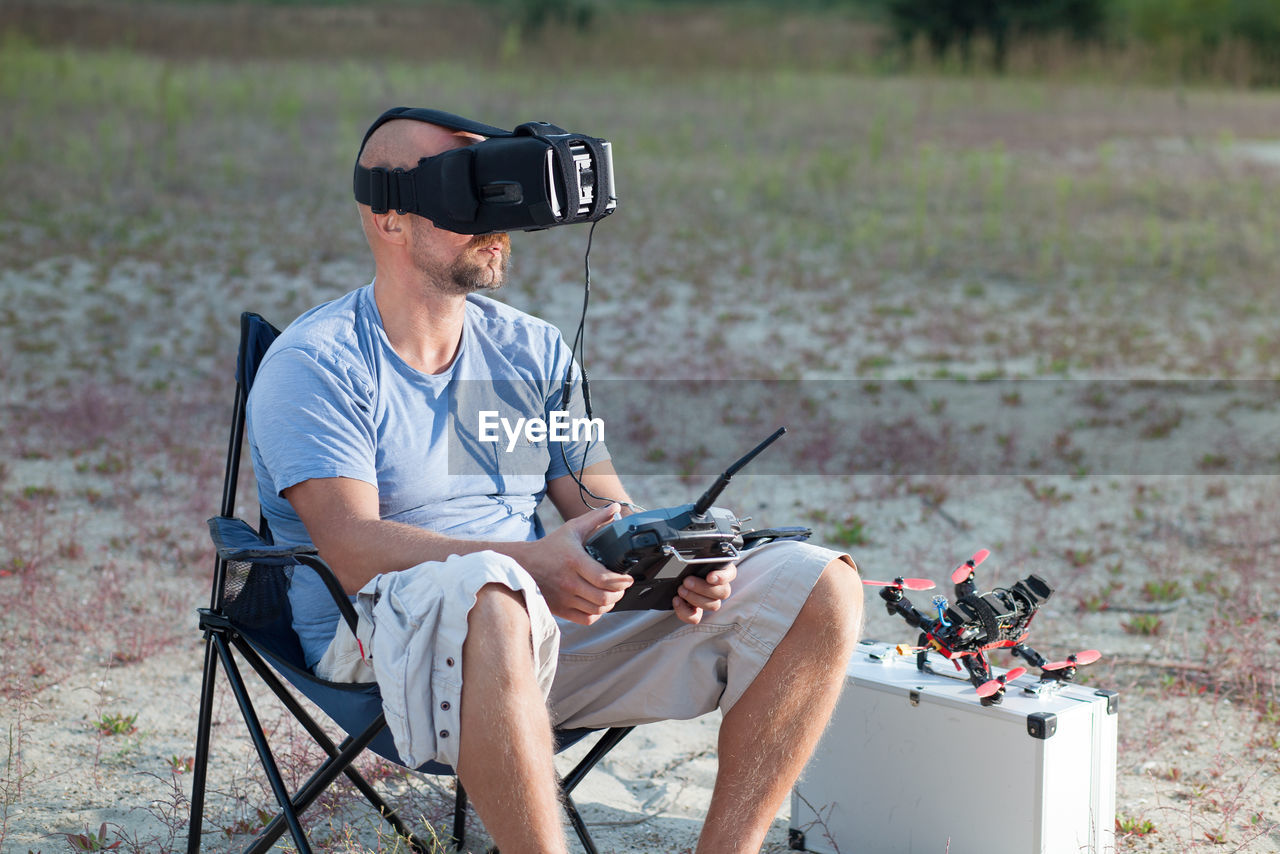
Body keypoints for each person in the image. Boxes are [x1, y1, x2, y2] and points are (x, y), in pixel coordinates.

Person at [247, 112, 864, 854]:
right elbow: (352, 548)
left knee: (819, 584)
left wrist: (668, 562)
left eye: (501, 198)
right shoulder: (320, 363)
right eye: (467, 199)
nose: (497, 226)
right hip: (379, 642)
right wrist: (530, 566)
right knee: (491, 597)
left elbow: (601, 508)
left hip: (538, 621)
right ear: (390, 218)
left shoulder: (528, 350)